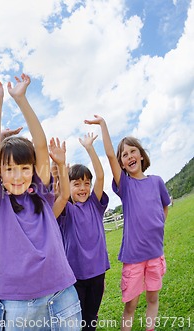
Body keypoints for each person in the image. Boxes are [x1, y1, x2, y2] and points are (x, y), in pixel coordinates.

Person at [0, 74, 81, 331]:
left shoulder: (42, 195)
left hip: (61, 292)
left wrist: (22, 99)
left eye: (24, 168)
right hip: (16, 302)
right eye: (9, 169)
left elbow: (40, 144)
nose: (17, 176)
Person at [85, 115, 170, 331]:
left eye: (133, 151)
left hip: (155, 254)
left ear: (141, 155)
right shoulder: (126, 185)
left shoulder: (157, 181)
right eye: (125, 154)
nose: (129, 156)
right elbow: (109, 156)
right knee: (131, 305)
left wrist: (158, 224)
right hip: (133, 258)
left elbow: (164, 206)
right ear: (122, 162)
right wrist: (104, 124)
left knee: (153, 298)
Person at [57, 133, 110, 331]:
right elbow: (60, 193)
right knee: (75, 320)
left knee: (91, 316)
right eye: (76, 183)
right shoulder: (66, 209)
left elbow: (101, 175)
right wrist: (62, 169)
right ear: (68, 186)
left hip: (97, 273)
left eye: (86, 183)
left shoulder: (95, 205)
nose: (83, 188)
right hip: (74, 275)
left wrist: (90, 148)